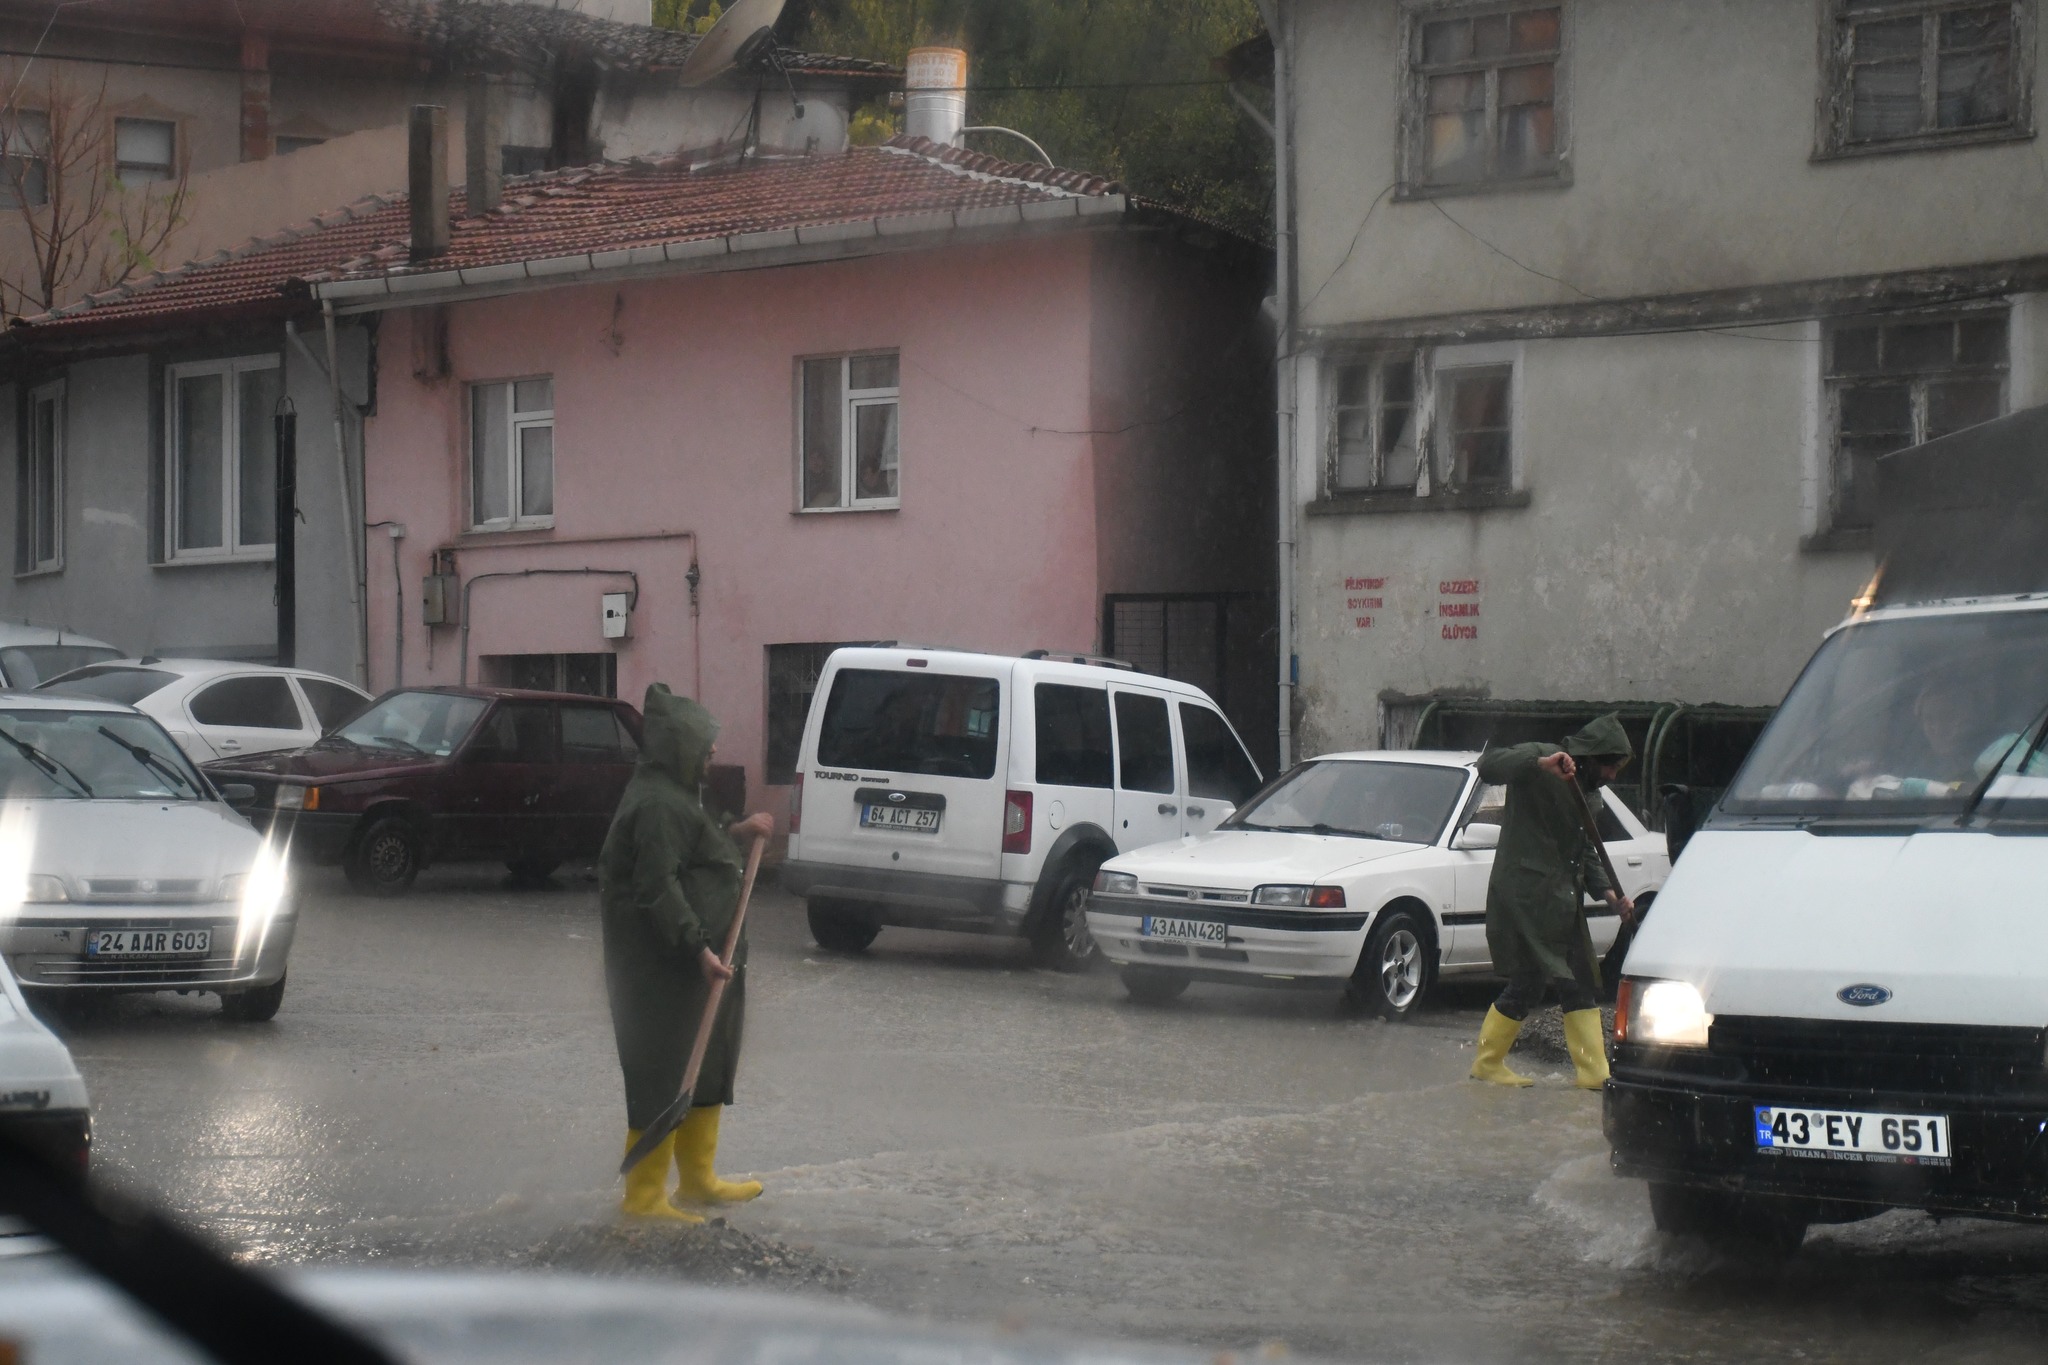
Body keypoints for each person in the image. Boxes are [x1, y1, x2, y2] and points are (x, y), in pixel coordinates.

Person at [599, 683, 775, 1222]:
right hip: (664, 969)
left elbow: (698, 842)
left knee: (706, 1064)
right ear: (679, 747)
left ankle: (698, 1180)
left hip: (700, 965)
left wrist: (738, 832)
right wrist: (696, 947)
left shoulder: (673, 794)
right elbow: (658, 887)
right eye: (705, 744)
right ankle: (646, 1197)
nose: (713, 752)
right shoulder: (654, 804)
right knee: (663, 1072)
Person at [1469, 714, 1636, 1091]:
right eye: (1609, 766)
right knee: (1556, 980)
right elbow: (1488, 765)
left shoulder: (1589, 795)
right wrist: (1541, 763)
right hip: (1528, 893)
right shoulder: (1545, 759)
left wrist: (1610, 895)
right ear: (1593, 756)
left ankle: (1494, 1064)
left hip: (1562, 898)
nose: (1611, 776)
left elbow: (1585, 851)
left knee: (1553, 980)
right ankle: (1587, 1072)